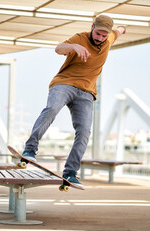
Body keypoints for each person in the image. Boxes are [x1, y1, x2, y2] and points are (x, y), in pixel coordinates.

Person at [22, 15, 126, 188]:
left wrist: (123, 28)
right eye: (97, 33)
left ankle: (70, 172)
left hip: (86, 93)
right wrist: (74, 47)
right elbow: (58, 49)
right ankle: (30, 149)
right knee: (52, 109)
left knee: (84, 131)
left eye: (103, 36)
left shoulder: (110, 39)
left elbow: (120, 31)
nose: (100, 38)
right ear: (92, 27)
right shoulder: (80, 37)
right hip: (64, 84)